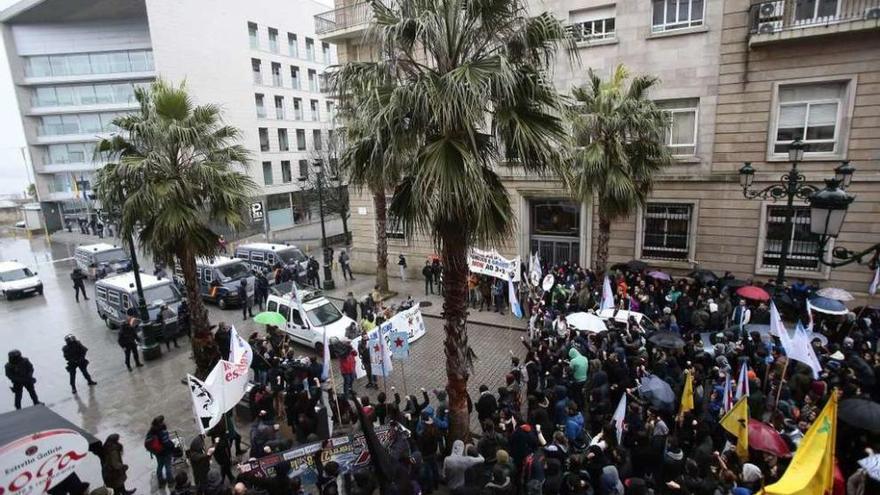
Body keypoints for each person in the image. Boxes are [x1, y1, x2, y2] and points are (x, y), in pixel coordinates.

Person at [145, 415, 175, 487]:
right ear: (161, 422)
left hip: (157, 452)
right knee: (168, 466)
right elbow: (166, 442)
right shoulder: (162, 431)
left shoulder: (151, 430)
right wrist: (172, 445)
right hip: (165, 451)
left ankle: (161, 481)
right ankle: (170, 481)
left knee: (160, 465)